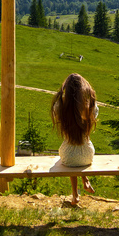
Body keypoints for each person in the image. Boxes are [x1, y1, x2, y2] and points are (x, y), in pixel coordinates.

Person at [51, 73, 98, 206]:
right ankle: (85, 180)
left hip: (68, 155)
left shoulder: (60, 108)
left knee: (71, 157)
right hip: (88, 154)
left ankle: (75, 195)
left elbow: (56, 113)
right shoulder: (89, 107)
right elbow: (95, 111)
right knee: (78, 156)